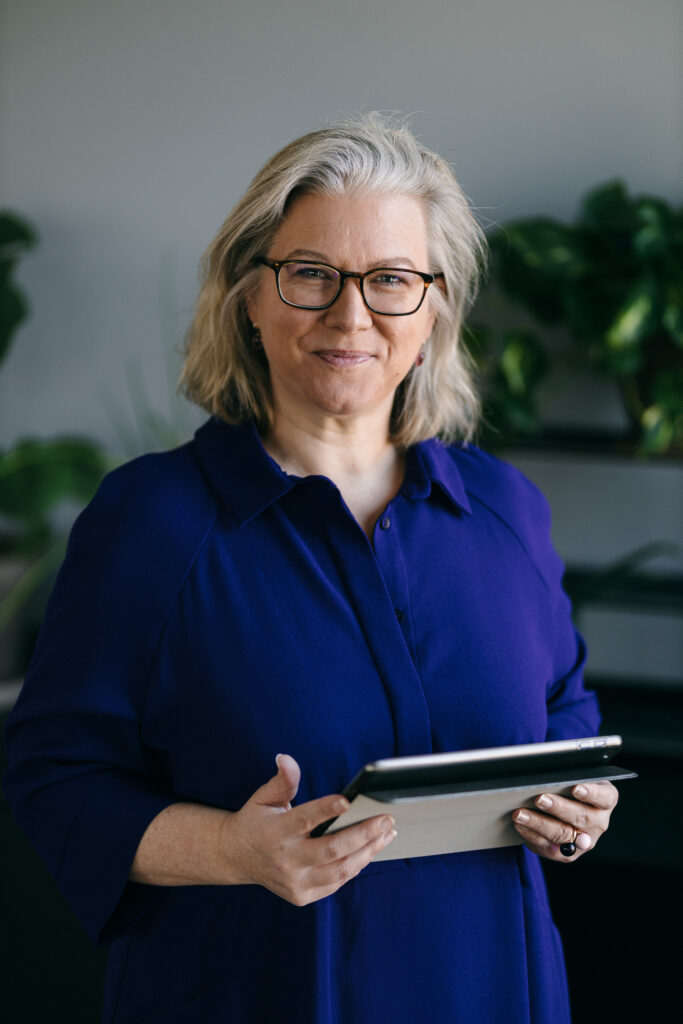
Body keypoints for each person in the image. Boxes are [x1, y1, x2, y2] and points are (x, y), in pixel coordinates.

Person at [3, 114, 619, 1024]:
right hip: (257, 993)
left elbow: (565, 713)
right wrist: (231, 848)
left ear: (434, 309)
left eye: (391, 280)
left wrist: (576, 810)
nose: (351, 314)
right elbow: (54, 777)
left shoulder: (505, 509)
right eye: (311, 274)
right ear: (249, 296)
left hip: (491, 986)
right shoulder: (153, 522)